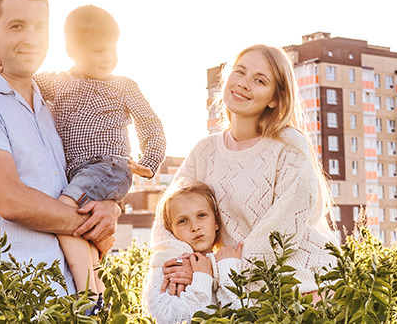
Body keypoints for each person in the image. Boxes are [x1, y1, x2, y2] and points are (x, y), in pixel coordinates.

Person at [0, 5, 166, 299]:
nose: (108, 58)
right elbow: (14, 74)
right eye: (98, 51)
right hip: (77, 173)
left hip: (108, 167)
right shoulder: (59, 82)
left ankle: (89, 292)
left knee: (63, 213)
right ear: (72, 51)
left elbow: (150, 123)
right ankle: (94, 281)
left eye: (112, 50)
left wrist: (149, 160)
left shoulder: (123, 86)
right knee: (82, 223)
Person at [0, 0, 121, 297]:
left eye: (40, 27)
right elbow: (10, 201)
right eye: (17, 26)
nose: (31, 38)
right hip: (22, 301)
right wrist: (91, 224)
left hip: (81, 301)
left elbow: (86, 170)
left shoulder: (53, 104)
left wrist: (111, 207)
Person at [145, 45, 339, 312]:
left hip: (301, 289)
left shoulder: (291, 147)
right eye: (240, 72)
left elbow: (279, 235)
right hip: (234, 292)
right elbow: (166, 220)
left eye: (259, 80)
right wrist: (181, 266)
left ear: (275, 98)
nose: (244, 84)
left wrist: (209, 270)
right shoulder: (204, 151)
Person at [146, 179, 242, 324]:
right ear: (171, 230)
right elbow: (167, 319)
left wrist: (226, 270)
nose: (195, 227)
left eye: (202, 215)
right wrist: (202, 278)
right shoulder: (170, 269)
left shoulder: (224, 261)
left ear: (216, 221)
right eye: (182, 221)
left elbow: (241, 316)